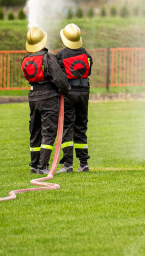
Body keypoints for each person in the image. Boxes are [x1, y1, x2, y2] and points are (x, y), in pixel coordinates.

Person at [21, 27, 68, 176]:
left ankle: (34, 165)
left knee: (35, 131)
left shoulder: (26, 60)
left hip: (33, 97)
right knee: (48, 132)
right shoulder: (48, 58)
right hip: (49, 98)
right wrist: (66, 89)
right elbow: (59, 78)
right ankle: (43, 166)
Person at [53, 23, 94, 173]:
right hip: (84, 92)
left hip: (69, 93)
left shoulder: (61, 55)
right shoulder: (86, 54)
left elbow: (57, 76)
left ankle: (68, 164)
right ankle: (84, 164)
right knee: (81, 127)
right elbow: (88, 71)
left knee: (67, 127)